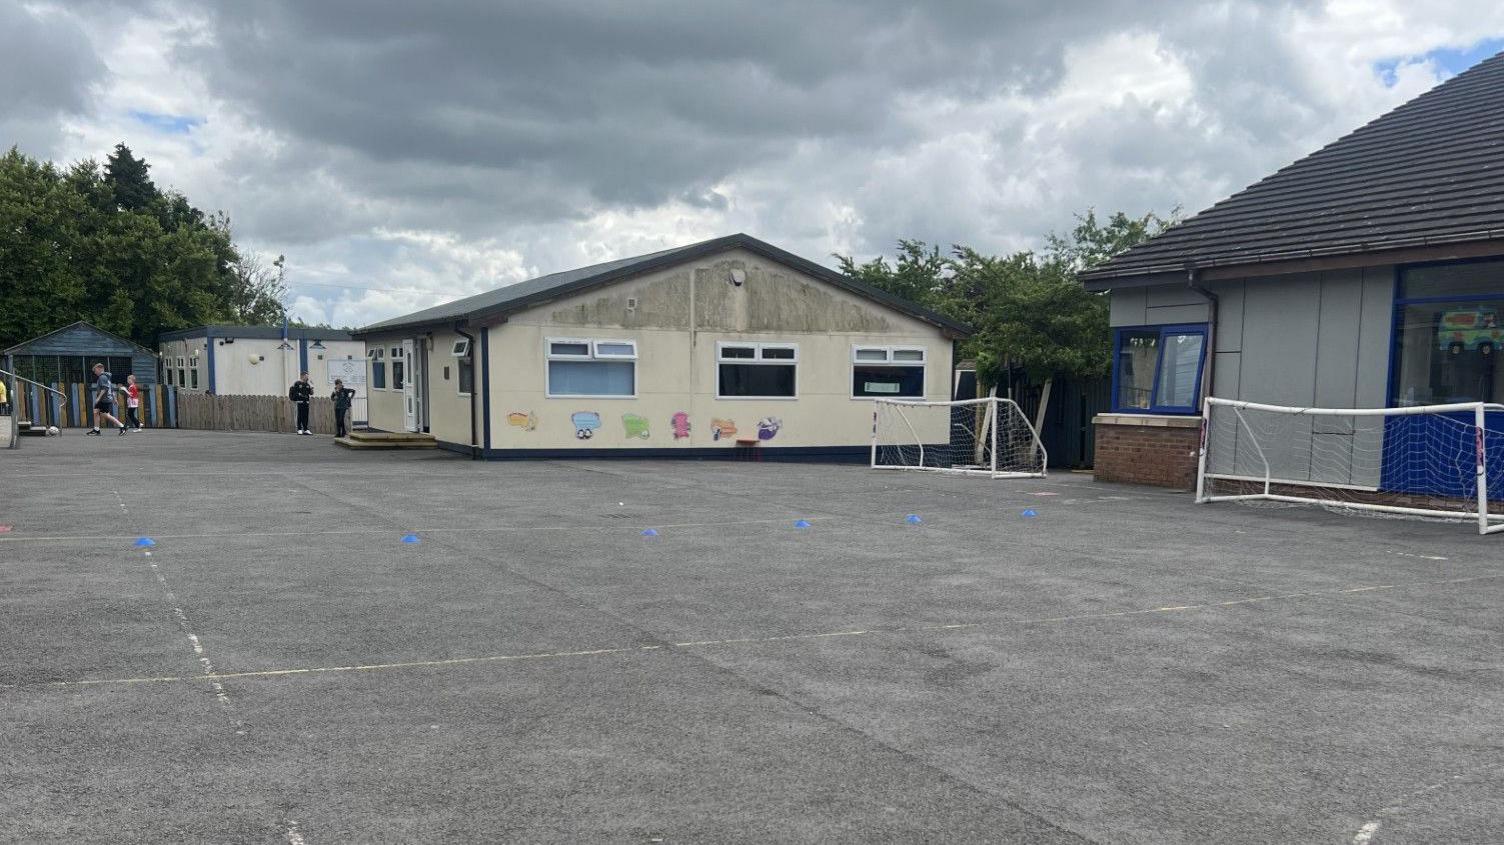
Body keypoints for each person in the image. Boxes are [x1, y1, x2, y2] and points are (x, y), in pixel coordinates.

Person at [88, 363, 128, 436]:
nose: (94, 372)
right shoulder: (107, 377)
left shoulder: (102, 377)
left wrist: (98, 398)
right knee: (96, 412)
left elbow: (105, 389)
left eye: (95, 370)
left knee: (106, 415)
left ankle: (122, 426)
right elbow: (111, 389)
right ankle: (96, 430)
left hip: (104, 399)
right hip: (104, 399)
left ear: (99, 369)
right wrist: (114, 399)